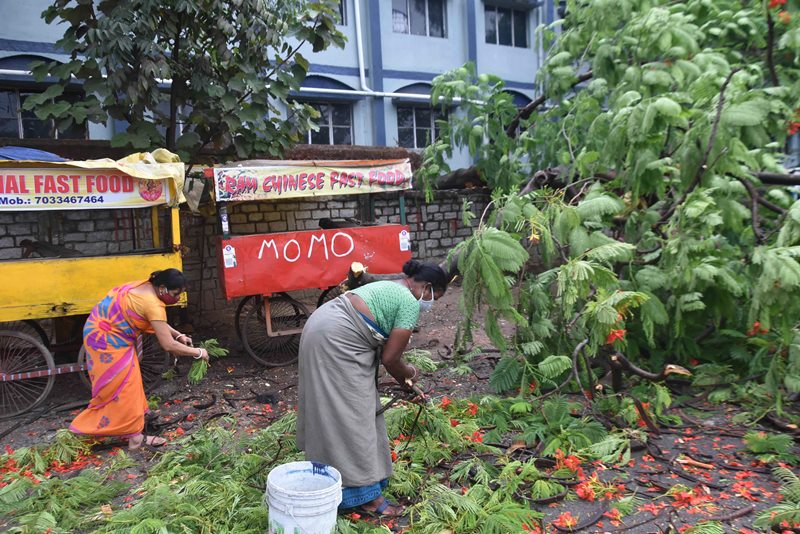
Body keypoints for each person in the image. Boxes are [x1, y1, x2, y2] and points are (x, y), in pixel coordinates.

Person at [297, 259, 448, 517]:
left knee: (338, 411)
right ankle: (365, 497)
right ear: (427, 287)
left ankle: (334, 483)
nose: (430, 304)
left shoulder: (393, 287)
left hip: (320, 327)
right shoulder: (410, 302)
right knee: (354, 416)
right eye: (436, 296)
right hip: (336, 340)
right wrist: (410, 375)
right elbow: (391, 359)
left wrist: (407, 382)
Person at [69, 269, 209, 450]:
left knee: (130, 383)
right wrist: (198, 352)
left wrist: (179, 334)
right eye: (175, 294)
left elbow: (156, 322)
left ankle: (133, 427)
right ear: (163, 288)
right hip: (107, 341)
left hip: (99, 331)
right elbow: (168, 345)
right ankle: (93, 430)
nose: (176, 298)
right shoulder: (153, 304)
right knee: (123, 388)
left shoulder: (143, 287)